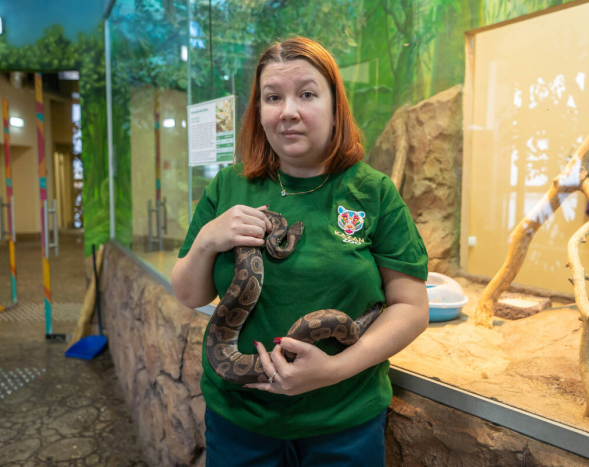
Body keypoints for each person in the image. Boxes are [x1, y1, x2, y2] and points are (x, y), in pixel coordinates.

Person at [171, 36, 429, 467]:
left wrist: (333, 369)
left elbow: (411, 307)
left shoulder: (373, 193)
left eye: (306, 94)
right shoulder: (230, 186)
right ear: (259, 111)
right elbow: (189, 293)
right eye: (273, 97)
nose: (288, 111)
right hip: (240, 421)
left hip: (342, 421)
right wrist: (208, 239)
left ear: (334, 108)